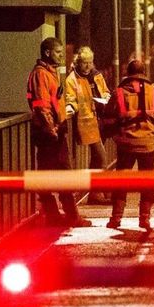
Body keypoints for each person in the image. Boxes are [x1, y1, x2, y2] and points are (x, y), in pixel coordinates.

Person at [26, 37, 91, 227]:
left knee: (49, 175)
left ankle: (56, 215)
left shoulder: (48, 73)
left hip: (52, 130)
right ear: (47, 53)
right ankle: (67, 216)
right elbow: (41, 105)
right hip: (50, 133)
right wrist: (52, 129)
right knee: (60, 175)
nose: (62, 56)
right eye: (58, 52)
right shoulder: (42, 75)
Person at [100, 59, 154, 231]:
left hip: (125, 144)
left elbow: (108, 119)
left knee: (121, 181)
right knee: (147, 181)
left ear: (128, 73)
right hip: (148, 144)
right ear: (144, 73)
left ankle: (116, 218)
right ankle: (144, 218)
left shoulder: (118, 94)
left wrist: (113, 134)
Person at [65, 46, 112, 203]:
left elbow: (105, 91)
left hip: (101, 121)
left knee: (96, 160)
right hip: (87, 123)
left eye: (90, 62)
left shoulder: (96, 75)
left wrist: (105, 97)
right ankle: (100, 191)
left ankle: (96, 193)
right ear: (78, 62)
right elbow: (71, 100)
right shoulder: (72, 79)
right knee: (102, 158)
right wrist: (70, 108)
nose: (88, 66)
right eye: (85, 62)